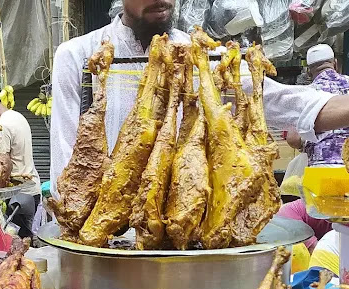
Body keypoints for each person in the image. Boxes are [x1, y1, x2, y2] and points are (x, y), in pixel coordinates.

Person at [50, 0, 349, 197]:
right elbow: (65, 164)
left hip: (187, 225)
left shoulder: (205, 56)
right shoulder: (78, 55)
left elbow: (286, 101)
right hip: (105, 234)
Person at [286, 44, 349, 166]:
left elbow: (293, 138)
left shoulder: (306, 94)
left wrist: (304, 147)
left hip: (319, 166)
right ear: (335, 64)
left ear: (309, 72)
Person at [0, 88, 41, 202]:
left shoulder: (2, 126)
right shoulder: (17, 115)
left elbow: (1, 163)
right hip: (32, 188)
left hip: (17, 195)